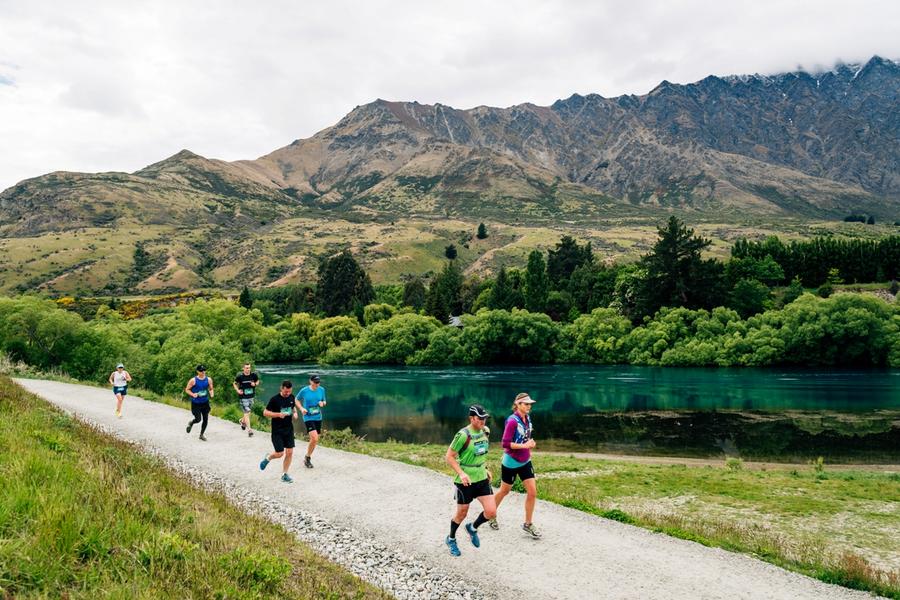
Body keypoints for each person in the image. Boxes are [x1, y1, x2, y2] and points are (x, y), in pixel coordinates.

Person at [444, 404, 496, 557]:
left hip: (481, 478)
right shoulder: (463, 435)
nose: (483, 422)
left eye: (484, 418)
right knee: (461, 514)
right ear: (471, 418)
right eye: (480, 419)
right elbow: (449, 456)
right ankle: (451, 538)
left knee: (491, 511)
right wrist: (461, 473)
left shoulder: (485, 432)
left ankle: (472, 528)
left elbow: (480, 454)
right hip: (465, 481)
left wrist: (485, 468)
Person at [491, 392, 541, 538]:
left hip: (525, 460)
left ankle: (528, 524)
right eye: (526, 404)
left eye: (530, 404)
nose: (529, 406)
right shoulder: (512, 421)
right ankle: (490, 514)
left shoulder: (527, 418)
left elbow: (524, 436)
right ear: (518, 404)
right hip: (511, 463)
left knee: (532, 492)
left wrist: (530, 443)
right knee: (504, 491)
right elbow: (505, 444)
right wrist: (525, 445)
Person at [259, 380, 299, 483]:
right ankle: (268, 457)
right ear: (281, 388)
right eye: (286, 391)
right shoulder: (274, 399)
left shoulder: (292, 397)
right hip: (277, 430)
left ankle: (284, 474)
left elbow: (293, 408)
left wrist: (295, 413)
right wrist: (277, 415)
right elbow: (265, 412)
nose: (287, 394)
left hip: (289, 429)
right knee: (280, 453)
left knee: (289, 452)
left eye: (289, 391)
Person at [296, 374, 326, 468]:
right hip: (308, 417)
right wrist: (301, 408)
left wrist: (322, 403)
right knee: (315, 438)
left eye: (318, 382)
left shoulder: (322, 390)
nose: (317, 384)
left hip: (318, 417)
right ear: (311, 381)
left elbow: (324, 401)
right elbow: (296, 399)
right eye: (315, 382)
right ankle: (308, 459)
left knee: (315, 440)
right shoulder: (304, 390)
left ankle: (307, 456)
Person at [185, 365, 214, 441]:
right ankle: (191, 423)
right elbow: (187, 390)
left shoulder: (209, 379)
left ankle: (201, 435)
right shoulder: (193, 380)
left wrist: (211, 393)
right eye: (201, 371)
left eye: (204, 370)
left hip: (205, 402)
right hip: (196, 403)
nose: (203, 372)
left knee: (205, 419)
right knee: (198, 419)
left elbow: (211, 388)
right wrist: (193, 394)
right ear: (198, 371)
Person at [233, 363, 259, 437]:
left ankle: (242, 421)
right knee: (247, 412)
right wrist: (237, 390)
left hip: (251, 396)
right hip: (243, 397)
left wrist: (255, 384)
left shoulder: (253, 375)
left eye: (249, 368)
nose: (248, 369)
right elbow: (234, 383)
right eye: (247, 368)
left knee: (248, 412)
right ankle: (249, 430)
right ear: (243, 368)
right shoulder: (240, 376)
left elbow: (257, 381)